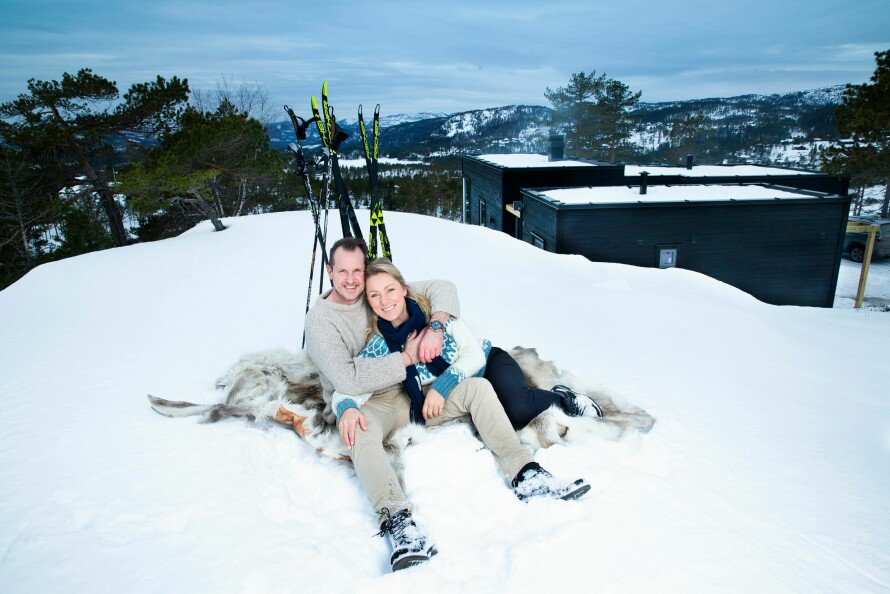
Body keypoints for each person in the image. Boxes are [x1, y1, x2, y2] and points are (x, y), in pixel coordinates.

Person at [304, 239, 589, 573]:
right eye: (343, 272)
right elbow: (348, 383)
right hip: (372, 395)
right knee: (359, 429)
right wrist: (350, 405)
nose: (353, 281)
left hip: (419, 387)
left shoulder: (390, 293)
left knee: (480, 388)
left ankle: (526, 474)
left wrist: (435, 328)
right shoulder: (328, 323)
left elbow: (443, 289)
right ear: (329, 272)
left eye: (358, 271)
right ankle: (398, 520)